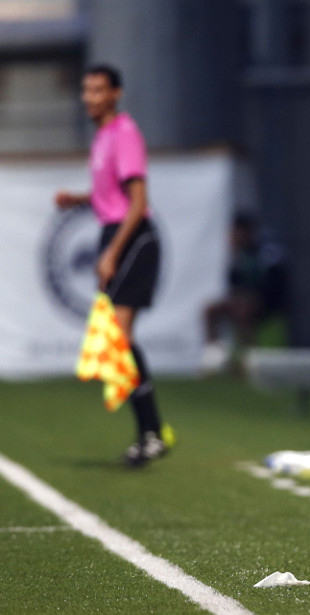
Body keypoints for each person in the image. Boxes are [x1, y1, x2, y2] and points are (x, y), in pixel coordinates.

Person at [54, 65, 171, 468]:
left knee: (118, 337)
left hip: (133, 239)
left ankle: (152, 432)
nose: (90, 97)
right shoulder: (102, 137)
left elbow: (137, 203)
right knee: (117, 339)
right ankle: (151, 432)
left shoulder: (124, 134)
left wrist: (111, 253)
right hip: (116, 234)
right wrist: (81, 199)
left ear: (116, 93)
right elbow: (112, 197)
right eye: (86, 90)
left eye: (98, 90)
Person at [201, 213, 269, 373]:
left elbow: (263, 284)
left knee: (243, 311)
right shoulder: (235, 254)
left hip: (258, 301)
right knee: (210, 309)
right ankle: (215, 356)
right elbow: (233, 284)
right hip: (237, 299)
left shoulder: (259, 253)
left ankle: (247, 360)